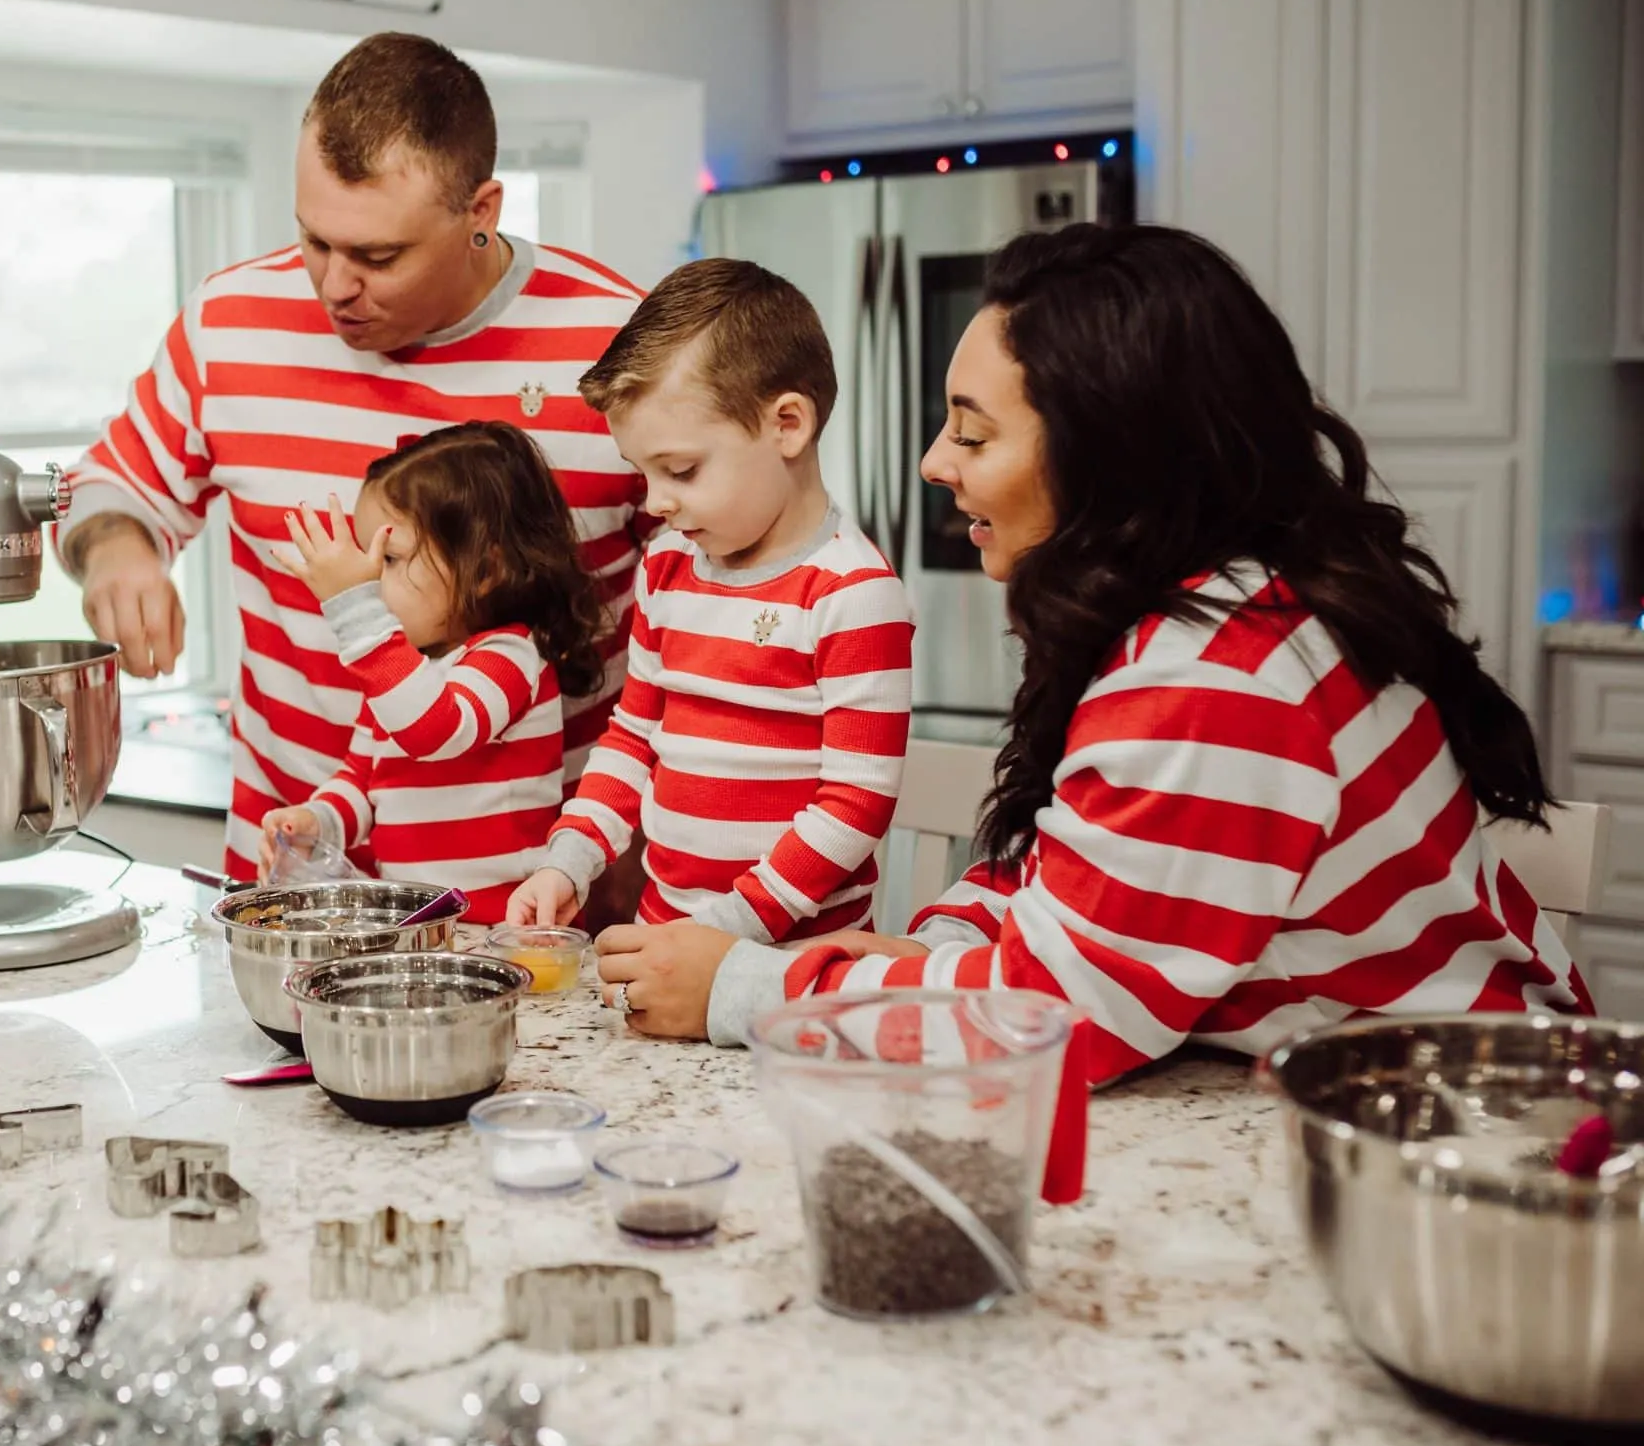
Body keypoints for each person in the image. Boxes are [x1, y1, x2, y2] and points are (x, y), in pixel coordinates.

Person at [595, 223, 1591, 1076]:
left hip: (1463, 1136)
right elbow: (1054, 874)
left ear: (1110, 451)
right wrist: (928, 946)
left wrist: (741, 984)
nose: (935, 462)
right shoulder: (1185, 614)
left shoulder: (1220, 675)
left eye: (974, 436)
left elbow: (1048, 1016)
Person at [58, 33, 646, 880]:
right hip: (289, 891)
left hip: (534, 905)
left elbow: (698, 611)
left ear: (481, 212)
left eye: (378, 256)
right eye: (312, 240)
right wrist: (116, 549)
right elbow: (112, 484)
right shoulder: (230, 324)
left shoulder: (612, 342)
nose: (333, 285)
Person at [506, 259, 914, 943]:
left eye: (682, 470)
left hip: (796, 969)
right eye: (643, 473)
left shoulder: (852, 593)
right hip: (667, 938)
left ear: (787, 424)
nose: (656, 501)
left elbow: (854, 805)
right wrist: (568, 862)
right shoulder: (668, 566)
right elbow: (633, 739)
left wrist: (727, 932)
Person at [255, 423, 604, 921]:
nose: (369, 580)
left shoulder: (509, 657)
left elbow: (437, 729)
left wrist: (355, 611)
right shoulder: (401, 674)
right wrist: (318, 821)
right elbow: (363, 781)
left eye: (390, 559)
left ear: (484, 571)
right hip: (421, 926)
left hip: (503, 931)